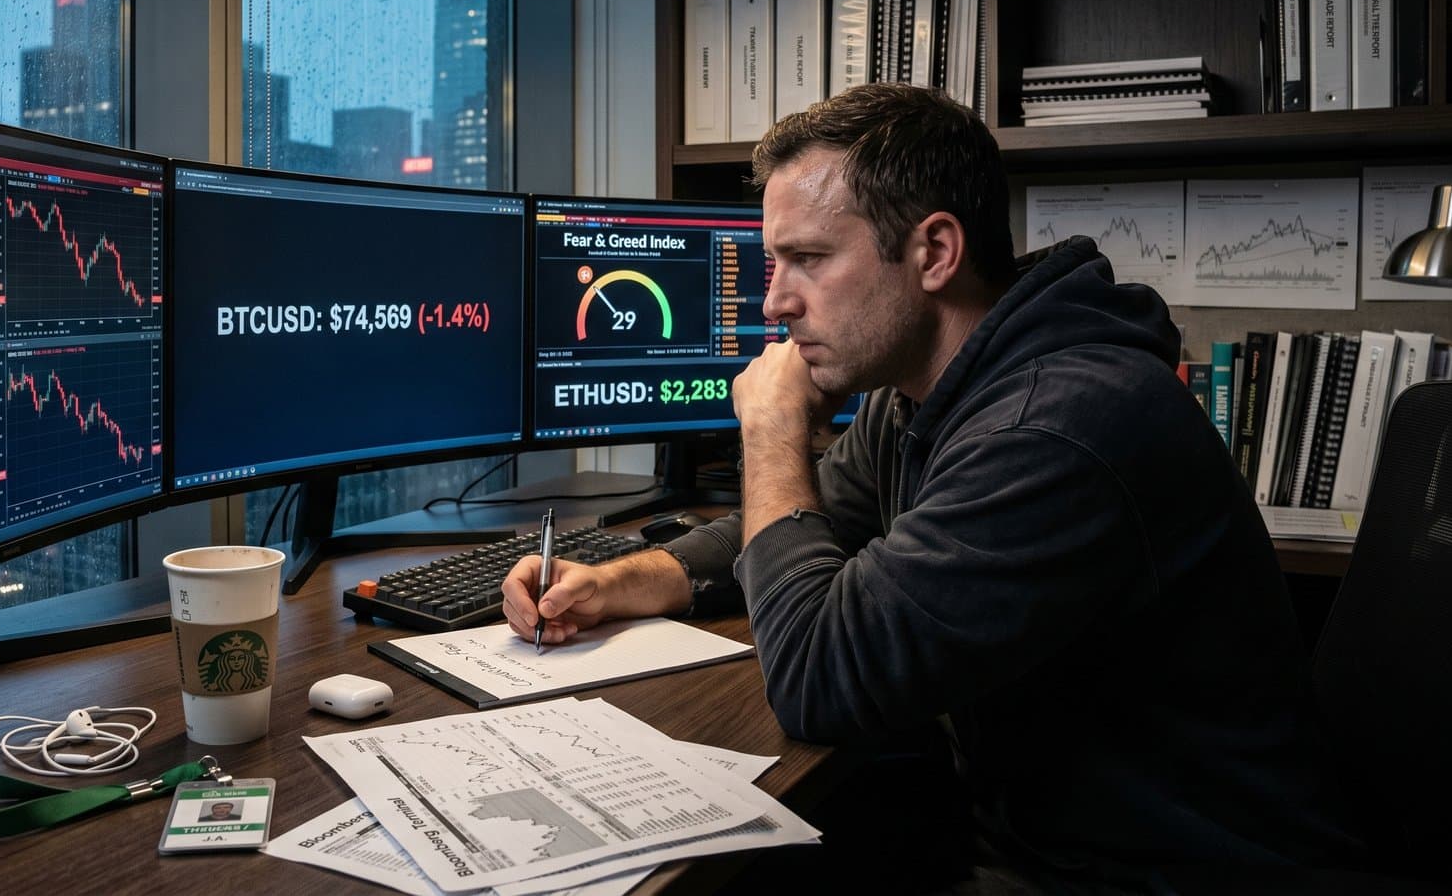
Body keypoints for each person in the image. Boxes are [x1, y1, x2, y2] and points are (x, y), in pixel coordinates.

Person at [501, 83, 1360, 887]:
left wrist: (769, 430)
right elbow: (809, 515)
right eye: (773, 263)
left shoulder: (1053, 429)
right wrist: (616, 582)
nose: (774, 303)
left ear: (936, 252)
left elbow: (817, 681)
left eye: (807, 259)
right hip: (1026, 830)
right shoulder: (931, 390)